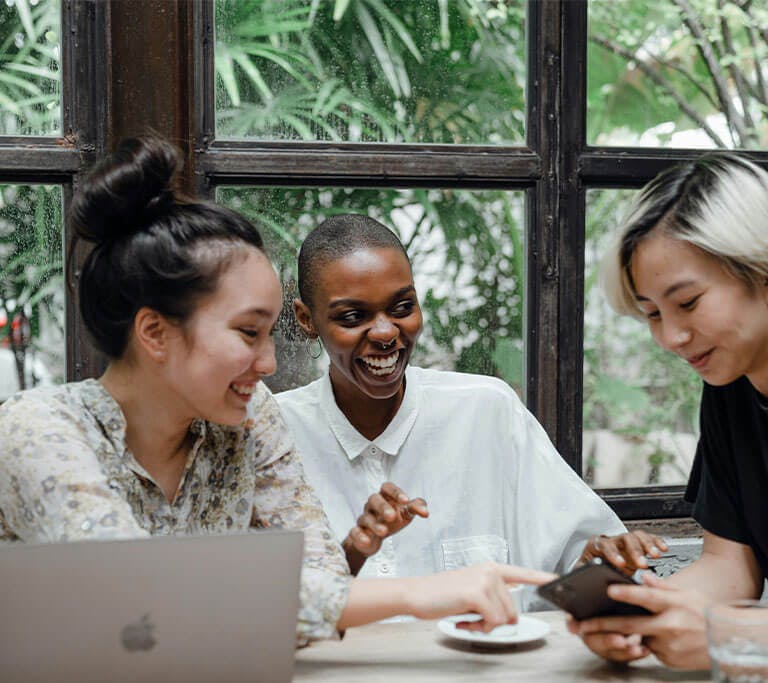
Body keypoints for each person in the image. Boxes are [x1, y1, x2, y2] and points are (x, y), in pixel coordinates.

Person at [0, 137, 556, 646]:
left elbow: (320, 582)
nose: (267, 364)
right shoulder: (38, 430)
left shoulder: (246, 419)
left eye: (269, 335)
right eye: (247, 333)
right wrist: (422, 593)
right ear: (154, 333)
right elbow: (139, 599)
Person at [275, 214, 649, 593]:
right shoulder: (276, 435)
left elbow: (575, 554)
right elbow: (269, 607)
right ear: (306, 319)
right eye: (353, 316)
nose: (386, 332)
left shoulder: (487, 411)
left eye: (403, 307)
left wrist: (600, 560)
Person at [570, 152, 768, 669]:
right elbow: (731, 564)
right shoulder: (730, 384)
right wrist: (643, 615)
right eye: (652, 313)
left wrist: (734, 634)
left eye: (689, 302)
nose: (671, 338)